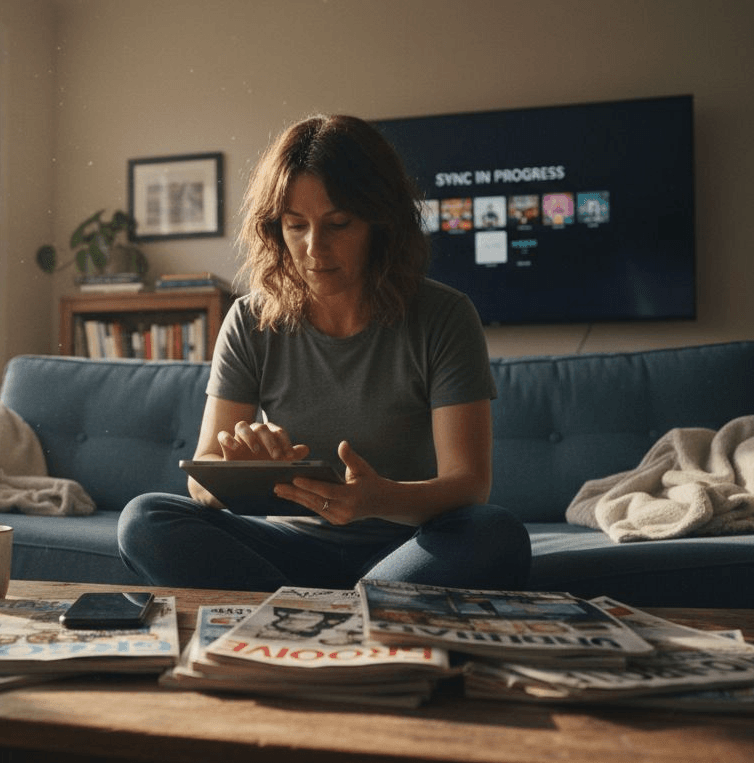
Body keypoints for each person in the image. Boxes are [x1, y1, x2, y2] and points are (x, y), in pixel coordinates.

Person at [117, 114, 531, 592]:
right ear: (276, 229)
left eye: (339, 224)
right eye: (296, 226)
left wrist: (380, 499)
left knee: (495, 532)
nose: (315, 247)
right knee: (144, 519)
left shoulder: (444, 316)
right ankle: (355, 612)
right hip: (286, 547)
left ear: (381, 223)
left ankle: (304, 611)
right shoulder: (249, 321)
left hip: (409, 547)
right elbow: (200, 483)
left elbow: (470, 484)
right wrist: (236, 473)